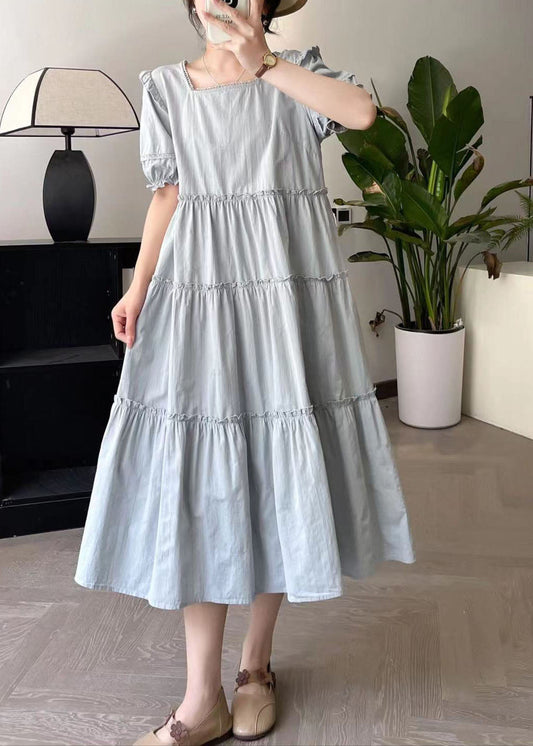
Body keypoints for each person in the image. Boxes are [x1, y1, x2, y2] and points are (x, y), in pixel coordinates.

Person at [73, 0, 416, 744]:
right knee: (203, 479)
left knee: (276, 473)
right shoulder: (165, 87)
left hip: (285, 304)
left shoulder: (295, 77)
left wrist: (266, 62)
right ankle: (201, 698)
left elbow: (361, 114)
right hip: (198, 300)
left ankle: (255, 668)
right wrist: (138, 287)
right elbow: (168, 195)